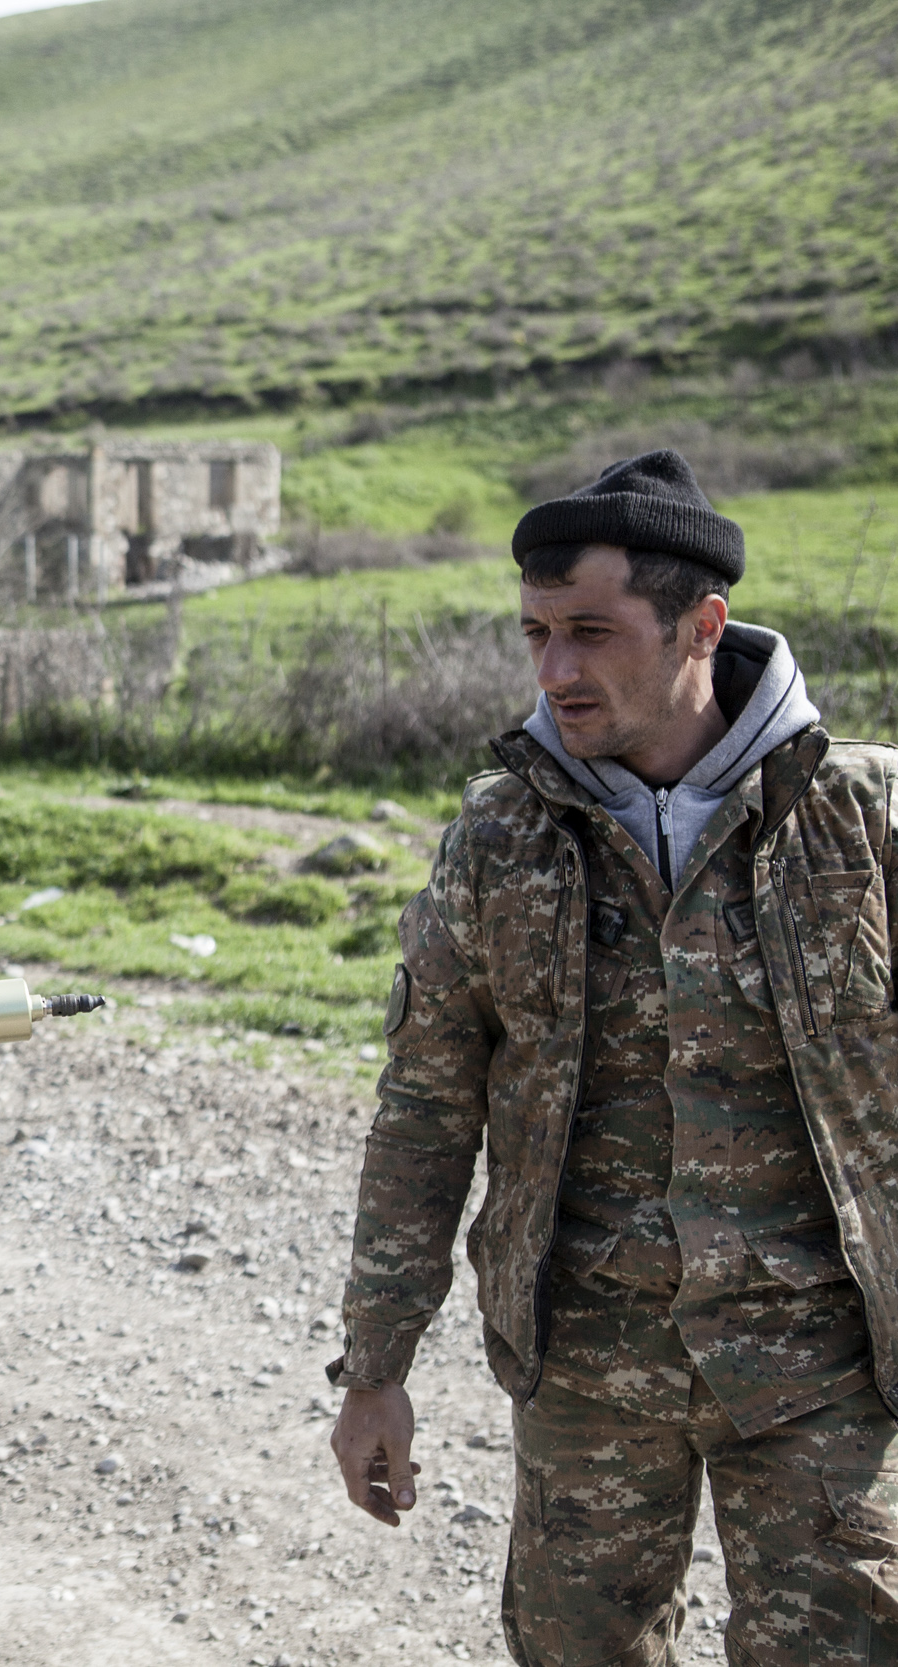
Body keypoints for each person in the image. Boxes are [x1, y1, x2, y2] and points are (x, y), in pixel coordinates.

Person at [326, 448, 898, 1665]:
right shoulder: (499, 836)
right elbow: (425, 1110)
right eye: (534, 632)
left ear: (703, 623)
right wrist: (374, 1366)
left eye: (589, 630)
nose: (554, 669)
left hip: (821, 1369)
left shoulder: (862, 817)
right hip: (587, 1371)